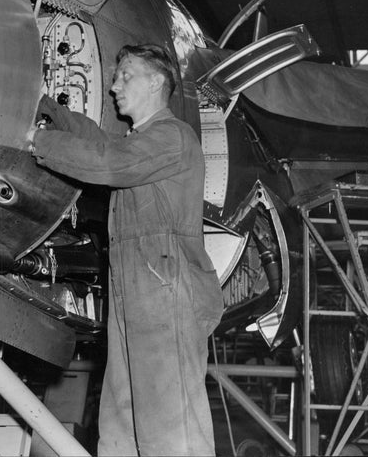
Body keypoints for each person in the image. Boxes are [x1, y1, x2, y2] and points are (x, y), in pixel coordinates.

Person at [27, 43, 224, 456]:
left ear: (156, 82)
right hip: (136, 287)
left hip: (166, 288)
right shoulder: (143, 140)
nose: (114, 85)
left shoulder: (172, 136)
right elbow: (97, 140)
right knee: (123, 416)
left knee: (171, 425)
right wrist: (45, 107)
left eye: (125, 75)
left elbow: (109, 161)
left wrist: (39, 141)